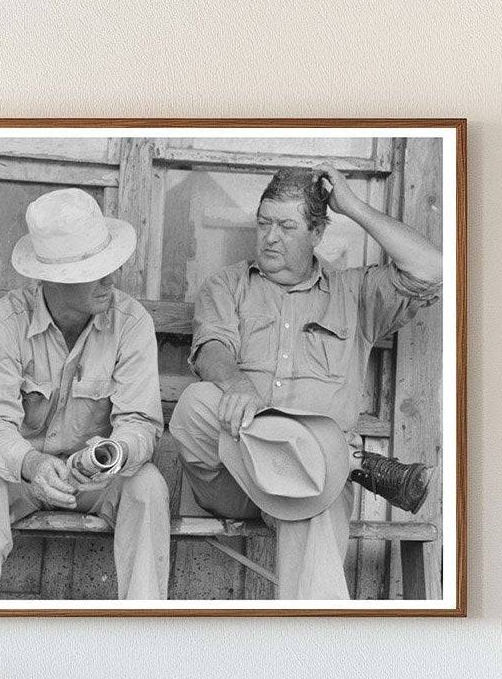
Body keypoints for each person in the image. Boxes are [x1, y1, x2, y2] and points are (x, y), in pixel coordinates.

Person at [170, 165, 442, 599]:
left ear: (317, 233)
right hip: (234, 478)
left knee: (314, 502)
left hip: (313, 485)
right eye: (263, 223)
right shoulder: (228, 284)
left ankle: (309, 647)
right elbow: (211, 349)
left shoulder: (356, 294)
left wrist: (352, 206)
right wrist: (237, 385)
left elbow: (430, 270)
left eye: (286, 225)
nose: (270, 237)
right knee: (197, 402)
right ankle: (333, 462)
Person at [0, 188, 169, 600]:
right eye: (94, 269)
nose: (110, 277)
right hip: (23, 476)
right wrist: (31, 464)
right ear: (55, 279)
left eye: (108, 263)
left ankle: (144, 634)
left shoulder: (132, 322)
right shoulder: (5, 323)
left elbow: (140, 423)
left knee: (149, 486)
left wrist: (111, 455)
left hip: (98, 480)